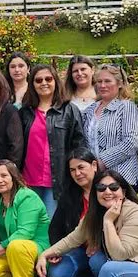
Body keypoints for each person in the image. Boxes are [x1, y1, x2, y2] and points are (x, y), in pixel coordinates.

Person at [20, 63, 86, 217]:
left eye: (48, 79)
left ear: (56, 81)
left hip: (57, 181)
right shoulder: (25, 112)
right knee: (30, 223)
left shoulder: (69, 110)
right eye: (38, 80)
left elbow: (78, 144)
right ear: (32, 84)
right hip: (28, 180)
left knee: (51, 223)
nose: (44, 83)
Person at [45, 148, 101, 277]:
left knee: (97, 261)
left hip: (105, 251)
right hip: (78, 249)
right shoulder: (69, 194)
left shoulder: (108, 190)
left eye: (81, 167)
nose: (77, 173)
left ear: (94, 165)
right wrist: (56, 250)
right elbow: (55, 227)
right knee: (57, 275)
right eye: (72, 170)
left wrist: (100, 245)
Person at [81, 64, 138, 190]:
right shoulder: (89, 110)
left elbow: (131, 142)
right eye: (99, 81)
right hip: (96, 178)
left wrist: (102, 162)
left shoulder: (126, 107)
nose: (102, 85)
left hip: (123, 177)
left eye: (107, 81)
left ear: (119, 84)